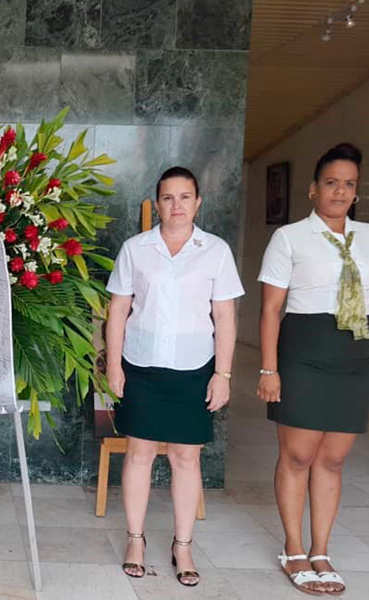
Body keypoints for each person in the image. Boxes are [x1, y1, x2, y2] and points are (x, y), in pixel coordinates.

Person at [257, 143, 369, 595]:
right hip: (303, 352)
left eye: (349, 184)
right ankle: (294, 548)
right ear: (313, 189)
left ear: (356, 192)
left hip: (355, 355)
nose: (340, 191)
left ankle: (322, 550)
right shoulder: (290, 238)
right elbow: (271, 309)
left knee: (333, 459)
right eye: (332, 183)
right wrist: (267, 369)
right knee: (298, 456)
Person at [105, 166, 244, 587]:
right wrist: (114, 365)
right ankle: (135, 539)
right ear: (157, 203)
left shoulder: (215, 250)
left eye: (185, 197)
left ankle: (182, 545)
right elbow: (117, 310)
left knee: (187, 458)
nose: (177, 205)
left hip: (194, 368)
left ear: (198, 202)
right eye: (168, 197)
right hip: (142, 365)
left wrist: (223, 373)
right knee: (139, 454)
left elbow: (224, 315)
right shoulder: (136, 248)